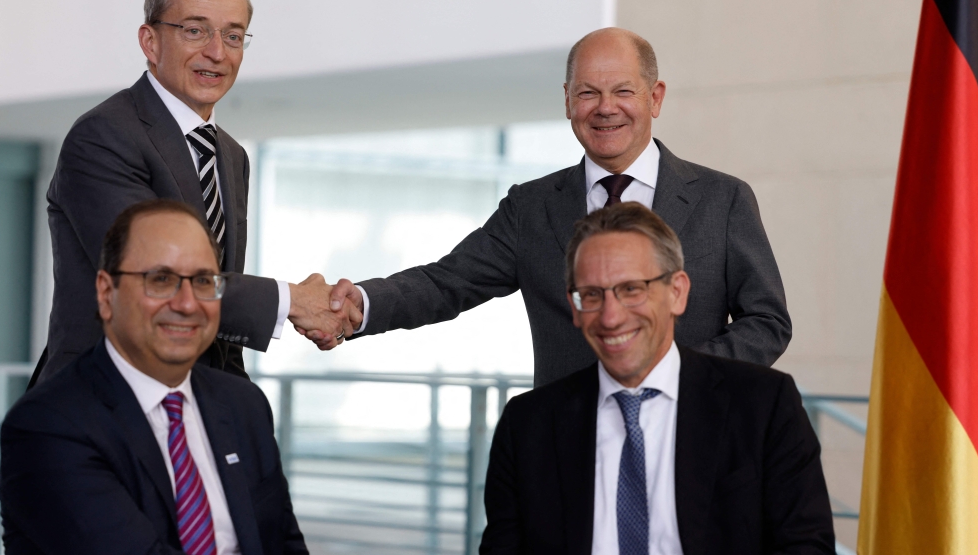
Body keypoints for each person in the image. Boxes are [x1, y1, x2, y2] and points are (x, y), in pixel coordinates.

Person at [319, 27, 790, 387]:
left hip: (694, 433)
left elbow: (767, 321)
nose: (605, 108)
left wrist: (681, 377)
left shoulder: (722, 199)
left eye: (623, 91)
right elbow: (446, 282)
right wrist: (358, 305)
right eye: (588, 92)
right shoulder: (531, 207)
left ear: (655, 97)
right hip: (569, 446)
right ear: (567, 101)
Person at [38, 0, 350, 385]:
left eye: (233, 35)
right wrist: (291, 300)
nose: (217, 52)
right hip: (103, 402)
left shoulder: (231, 154)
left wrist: (239, 405)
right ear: (150, 42)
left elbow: (218, 288)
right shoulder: (103, 136)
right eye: (195, 30)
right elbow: (155, 278)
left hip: (198, 401)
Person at [479, 202, 834, 554]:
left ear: (677, 293)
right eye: (591, 295)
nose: (611, 317)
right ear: (574, 308)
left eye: (631, 289)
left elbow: (805, 547)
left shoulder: (764, 406)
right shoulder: (527, 425)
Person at [0, 199, 308, 555]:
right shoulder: (48, 425)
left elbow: (285, 545)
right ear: (105, 292)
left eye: (204, 281)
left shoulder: (244, 404)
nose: (188, 304)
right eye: (161, 280)